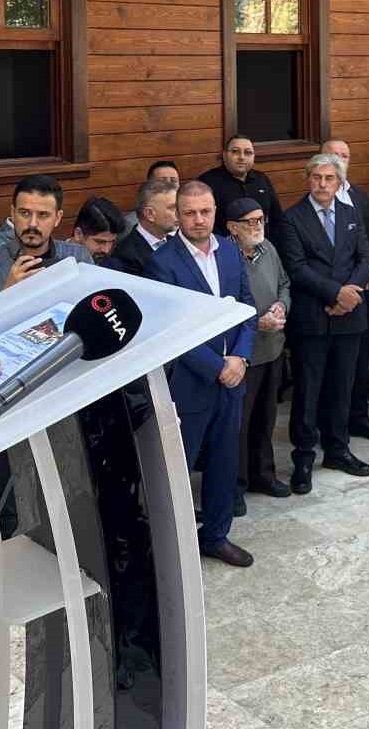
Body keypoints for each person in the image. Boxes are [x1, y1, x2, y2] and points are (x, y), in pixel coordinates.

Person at [144, 181, 257, 567]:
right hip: (192, 384)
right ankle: (170, 550)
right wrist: (217, 368)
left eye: (205, 211)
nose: (198, 219)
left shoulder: (228, 250)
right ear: (177, 214)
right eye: (189, 212)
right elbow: (170, 331)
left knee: (225, 463)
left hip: (234, 379)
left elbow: (246, 306)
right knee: (178, 467)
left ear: (214, 211)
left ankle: (216, 536)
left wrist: (240, 358)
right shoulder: (163, 262)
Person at [276, 156, 369, 494]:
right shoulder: (291, 218)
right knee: (309, 390)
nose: (322, 184)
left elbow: (365, 257)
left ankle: (337, 449)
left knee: (343, 386)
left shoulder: (350, 213)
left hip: (351, 316)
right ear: (307, 179)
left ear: (339, 182)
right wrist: (335, 294)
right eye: (316, 177)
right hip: (314, 317)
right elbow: (297, 267)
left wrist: (350, 295)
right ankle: (303, 457)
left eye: (329, 178)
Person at [223, 196, 292, 512]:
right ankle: (234, 487)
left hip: (272, 348)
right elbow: (224, 305)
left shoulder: (269, 250)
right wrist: (256, 320)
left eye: (260, 220)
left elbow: (285, 284)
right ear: (232, 228)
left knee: (266, 419)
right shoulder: (224, 257)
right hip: (242, 354)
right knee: (238, 425)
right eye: (248, 222)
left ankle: (264, 475)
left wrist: (281, 305)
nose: (256, 226)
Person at [322, 137, 369, 443]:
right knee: (333, 369)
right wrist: (342, 289)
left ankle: (359, 417)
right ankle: (331, 430)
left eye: (344, 156)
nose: (339, 161)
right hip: (330, 299)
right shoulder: (315, 201)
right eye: (332, 155)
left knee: (360, 359)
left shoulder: (359, 197)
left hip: (363, 292)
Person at [0, 175, 92, 308]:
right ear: (13, 213)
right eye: (25, 213)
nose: (32, 224)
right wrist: (6, 296)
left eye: (43, 215)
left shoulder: (79, 258)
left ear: (57, 218)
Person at [199, 135, 282, 236]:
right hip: (225, 246)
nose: (242, 157)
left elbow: (277, 218)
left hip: (262, 244)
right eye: (235, 151)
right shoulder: (208, 182)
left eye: (248, 152)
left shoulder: (262, 179)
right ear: (224, 155)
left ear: (253, 156)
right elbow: (205, 222)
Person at [106, 178, 179, 277]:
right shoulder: (126, 255)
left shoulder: (176, 241)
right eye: (172, 208)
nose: (179, 213)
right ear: (149, 214)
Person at [71, 195, 126, 263]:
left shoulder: (113, 265)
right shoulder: (56, 264)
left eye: (112, 242)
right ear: (78, 234)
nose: (107, 250)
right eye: (100, 242)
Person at [122, 161, 177, 229]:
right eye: (162, 181)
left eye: (174, 181)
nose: (169, 185)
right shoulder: (131, 223)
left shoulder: (187, 219)